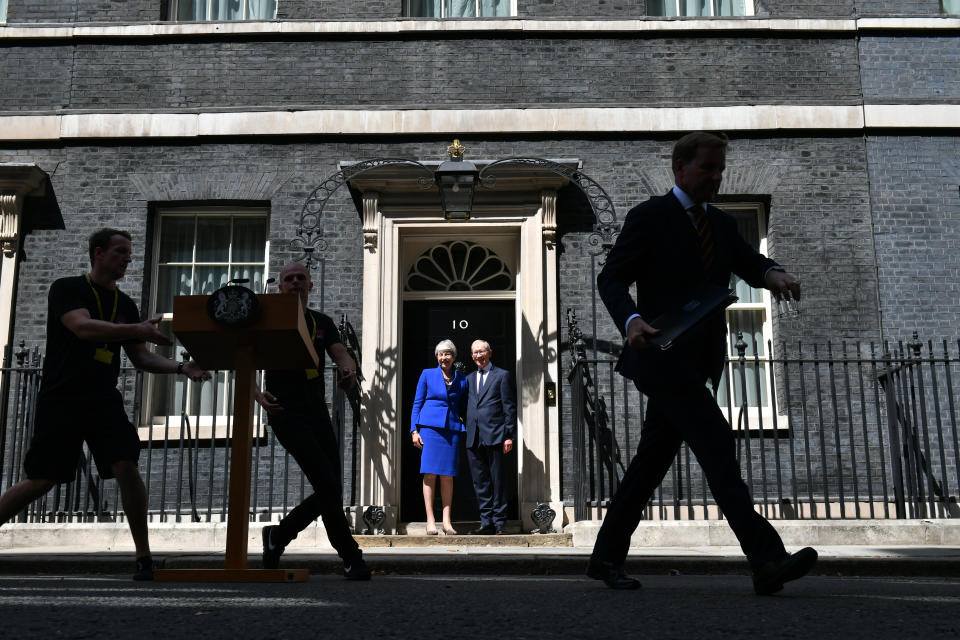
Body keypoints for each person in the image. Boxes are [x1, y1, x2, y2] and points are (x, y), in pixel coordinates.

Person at [588, 132, 817, 594]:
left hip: (698, 363)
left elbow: (750, 263)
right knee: (718, 452)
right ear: (680, 169)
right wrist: (631, 320)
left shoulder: (722, 224)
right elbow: (611, 278)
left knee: (648, 467)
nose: (716, 177)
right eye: (707, 168)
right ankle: (767, 559)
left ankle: (606, 558)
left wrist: (776, 276)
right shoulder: (650, 217)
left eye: (720, 169)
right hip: (663, 359)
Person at [0, 228, 211, 581]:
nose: (128, 258)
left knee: (126, 464)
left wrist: (180, 367)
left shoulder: (126, 306)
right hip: (63, 397)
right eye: (121, 252)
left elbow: (142, 359)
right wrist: (136, 331)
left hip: (102, 398)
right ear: (98, 253)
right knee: (42, 479)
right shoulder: (68, 289)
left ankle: (144, 557)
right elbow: (82, 328)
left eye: (129, 253)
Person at [255, 262, 371, 580]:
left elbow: (340, 352)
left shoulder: (321, 322)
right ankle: (350, 556)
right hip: (284, 410)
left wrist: (347, 369)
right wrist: (255, 393)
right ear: (280, 287)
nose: (295, 283)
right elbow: (244, 356)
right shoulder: (268, 320)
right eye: (288, 279)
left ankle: (279, 536)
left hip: (316, 409)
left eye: (300, 278)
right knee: (329, 483)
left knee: (329, 484)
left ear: (310, 285)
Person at [410, 339, 469, 535]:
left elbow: (463, 406)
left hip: (451, 429)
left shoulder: (462, 379)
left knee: (447, 475)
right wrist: (414, 431)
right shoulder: (427, 375)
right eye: (440, 354)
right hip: (429, 429)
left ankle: (446, 521)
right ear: (437, 356)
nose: (443, 358)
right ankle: (430, 521)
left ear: (453, 356)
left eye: (447, 354)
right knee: (429, 474)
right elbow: (417, 404)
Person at [464, 340, 517, 535]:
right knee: (480, 482)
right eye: (475, 353)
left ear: (490, 353)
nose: (479, 356)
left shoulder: (502, 375)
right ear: (472, 356)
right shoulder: (469, 379)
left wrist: (509, 435)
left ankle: (500, 522)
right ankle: (486, 522)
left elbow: (509, 407)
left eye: (482, 351)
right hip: (474, 437)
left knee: (498, 480)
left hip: (496, 435)